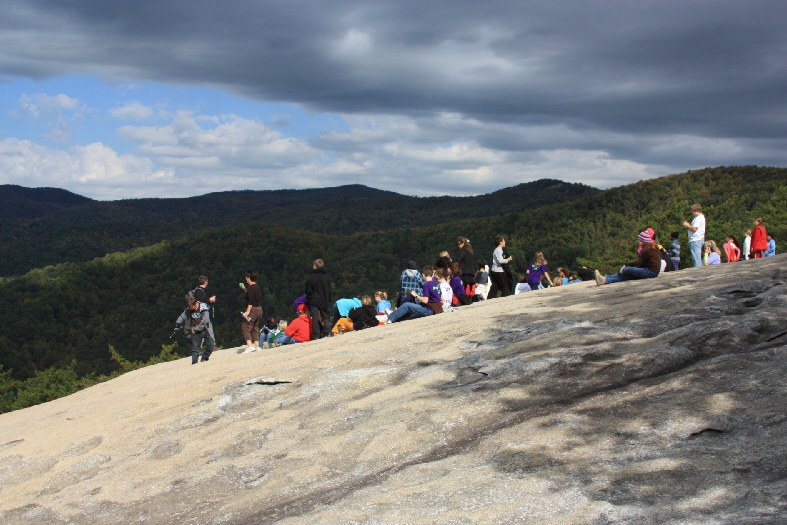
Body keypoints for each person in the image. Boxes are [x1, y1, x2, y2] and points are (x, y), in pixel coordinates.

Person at [595, 229, 661, 285]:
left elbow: (639, 261)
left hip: (650, 272)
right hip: (651, 271)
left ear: (643, 241)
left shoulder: (648, 249)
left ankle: (606, 278)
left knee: (626, 270)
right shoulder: (652, 248)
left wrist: (626, 266)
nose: (638, 242)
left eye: (640, 240)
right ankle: (605, 280)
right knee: (628, 276)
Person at [176, 296, 215, 364]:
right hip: (195, 332)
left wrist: (196, 328)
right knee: (195, 349)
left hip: (205, 329)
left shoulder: (203, 308)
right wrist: (178, 323)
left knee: (211, 344)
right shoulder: (188, 309)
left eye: (191, 307)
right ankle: (194, 364)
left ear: (195, 303)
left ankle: (204, 357)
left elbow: (204, 321)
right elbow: (182, 316)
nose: (190, 308)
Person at [305, 259, 332, 339]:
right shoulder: (326, 277)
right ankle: (328, 332)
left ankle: (316, 335)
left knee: (315, 318)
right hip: (324, 300)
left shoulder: (311, 278)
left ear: (315, 266)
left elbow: (308, 290)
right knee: (325, 317)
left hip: (314, 300)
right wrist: (329, 299)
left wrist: (308, 300)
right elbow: (329, 289)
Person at [240, 270, 263, 353]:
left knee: (246, 327)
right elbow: (252, 295)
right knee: (254, 328)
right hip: (259, 309)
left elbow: (250, 300)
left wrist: (247, 312)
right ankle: (257, 346)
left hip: (252, 310)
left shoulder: (250, 287)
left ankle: (250, 346)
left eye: (246, 277)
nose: (246, 279)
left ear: (249, 277)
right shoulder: (256, 286)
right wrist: (244, 289)